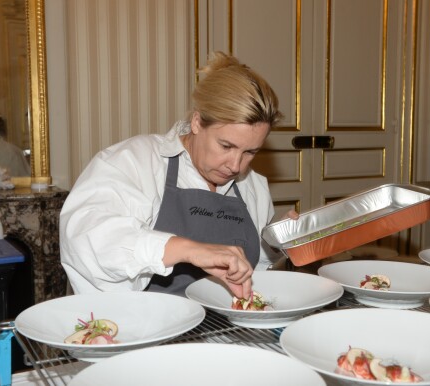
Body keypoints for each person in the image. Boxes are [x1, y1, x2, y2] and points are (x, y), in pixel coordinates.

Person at [60, 51, 297, 299]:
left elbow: (258, 272)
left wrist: (278, 243)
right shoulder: (136, 162)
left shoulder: (252, 185)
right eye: (226, 146)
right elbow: (85, 238)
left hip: (226, 332)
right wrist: (188, 249)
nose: (236, 166)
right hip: (152, 330)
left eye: (250, 152)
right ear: (197, 122)